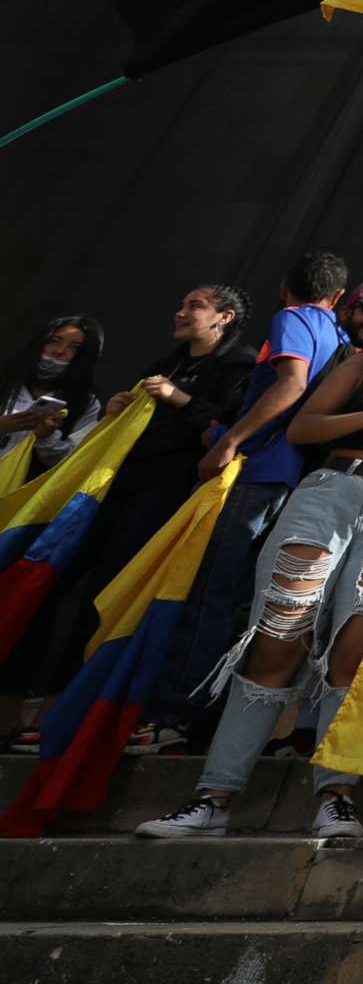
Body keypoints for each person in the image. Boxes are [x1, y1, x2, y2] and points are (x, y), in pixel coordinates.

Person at [136, 284, 363, 843]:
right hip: (331, 492)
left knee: (353, 652)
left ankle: (335, 796)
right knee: (278, 638)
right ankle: (213, 797)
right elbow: (303, 428)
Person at [10, 287, 255, 751]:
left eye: (194, 306)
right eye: (180, 304)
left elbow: (228, 428)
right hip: (119, 488)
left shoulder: (237, 366)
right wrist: (120, 411)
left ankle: (64, 719)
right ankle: (41, 710)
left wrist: (177, 398)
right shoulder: (170, 360)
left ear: (224, 317)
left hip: (165, 496)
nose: (180, 313)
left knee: (110, 599)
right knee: (59, 587)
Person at [147, 251, 352, 748]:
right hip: (299, 482)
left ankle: (178, 717)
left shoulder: (296, 319)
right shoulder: (344, 339)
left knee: (213, 591)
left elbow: (291, 384)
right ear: (339, 297)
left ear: (286, 289)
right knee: (250, 602)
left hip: (261, 473)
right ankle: (210, 717)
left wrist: (230, 440)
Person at [0, 314, 106, 473]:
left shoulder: (85, 403)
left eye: (74, 347)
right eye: (54, 341)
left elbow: (73, 465)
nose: (59, 351)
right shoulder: (5, 378)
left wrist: (47, 438)